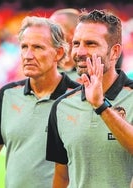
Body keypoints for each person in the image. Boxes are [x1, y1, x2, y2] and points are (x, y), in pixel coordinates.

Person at [0, 16, 80, 188]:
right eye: (24, 47)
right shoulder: (7, 95)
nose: (28, 55)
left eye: (37, 47)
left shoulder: (78, 99)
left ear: (58, 53)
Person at [46, 9, 133, 188]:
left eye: (91, 44)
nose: (80, 51)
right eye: (76, 43)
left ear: (115, 52)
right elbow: (62, 177)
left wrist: (101, 106)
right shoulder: (62, 105)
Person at [50, 8, 80, 82]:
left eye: (55, 29)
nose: (48, 34)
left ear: (74, 32)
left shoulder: (91, 70)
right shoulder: (44, 67)